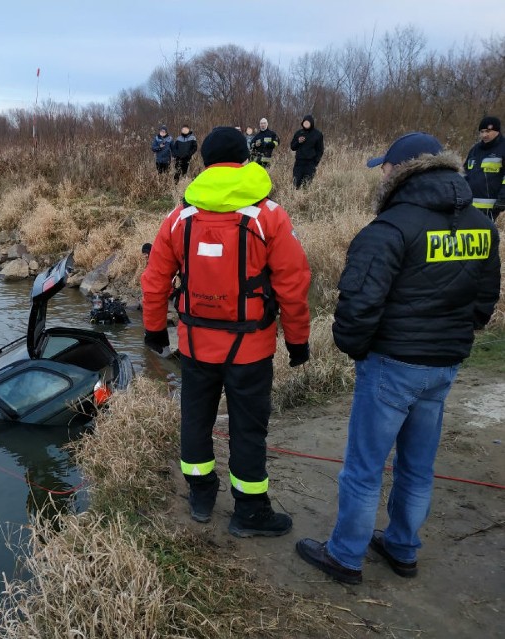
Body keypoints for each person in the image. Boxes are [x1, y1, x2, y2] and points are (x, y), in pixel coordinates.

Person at [296, 133, 501, 585]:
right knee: (417, 464)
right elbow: (485, 301)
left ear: (403, 170)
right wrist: (454, 337)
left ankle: (345, 556)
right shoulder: (482, 226)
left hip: (392, 364)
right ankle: (402, 547)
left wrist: (356, 348)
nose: (381, 174)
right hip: (444, 365)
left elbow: (358, 305)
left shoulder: (388, 229)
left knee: (364, 467)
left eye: (385, 167)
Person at [142, 127, 312, 537]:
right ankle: (250, 513)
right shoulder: (268, 215)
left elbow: (154, 280)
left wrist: (154, 333)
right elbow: (293, 283)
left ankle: (201, 497)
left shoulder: (179, 217)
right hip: (251, 350)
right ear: (246, 159)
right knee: (248, 429)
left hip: (196, 347)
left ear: (204, 162)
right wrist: (297, 340)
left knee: (195, 422)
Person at [464, 115, 505, 220]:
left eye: (488, 131)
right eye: (482, 132)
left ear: (497, 131)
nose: (484, 135)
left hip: (491, 207)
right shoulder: (475, 149)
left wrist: (502, 199)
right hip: (469, 205)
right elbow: (464, 173)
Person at [290, 115, 324, 189]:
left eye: (308, 122)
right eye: (304, 122)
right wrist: (298, 142)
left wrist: (315, 162)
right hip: (299, 163)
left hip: (310, 164)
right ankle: (295, 199)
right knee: (295, 184)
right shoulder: (298, 133)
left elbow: (320, 150)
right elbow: (292, 147)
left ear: (311, 123)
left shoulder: (317, 134)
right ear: (302, 123)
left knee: (306, 185)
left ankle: (304, 199)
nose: (306, 124)